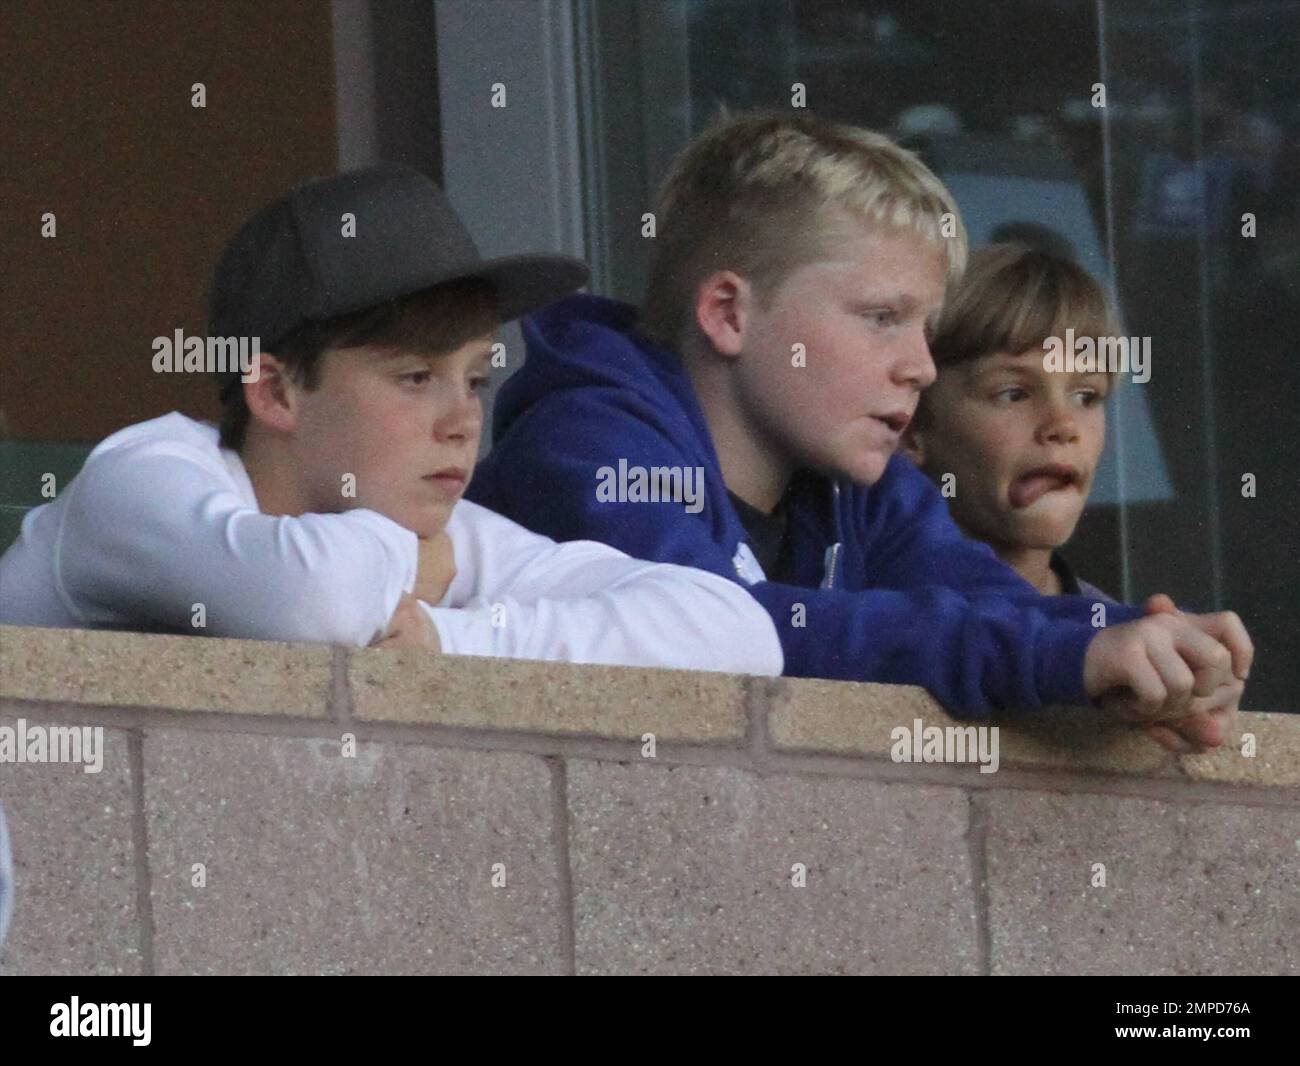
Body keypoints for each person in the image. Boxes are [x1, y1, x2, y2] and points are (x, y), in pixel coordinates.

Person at [466, 112, 1250, 752]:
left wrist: (1148, 649)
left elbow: (986, 603)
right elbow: (727, 639)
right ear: (730, 313)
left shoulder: (860, 487)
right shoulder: (588, 448)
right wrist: (1064, 657)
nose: (921, 367)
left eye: (925, 328)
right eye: (882, 319)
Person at [0, 166, 782, 677]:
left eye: (474, 379)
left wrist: (454, 639)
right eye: (415, 378)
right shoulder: (141, 478)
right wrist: (418, 572)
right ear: (275, 391)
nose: (461, 422)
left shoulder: (433, 533)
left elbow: (735, 632)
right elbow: (317, 603)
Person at [902, 242, 1119, 602]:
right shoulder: (865, 621)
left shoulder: (1119, 635)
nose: (1063, 425)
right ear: (910, 427)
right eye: (1014, 394)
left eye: (1086, 396)